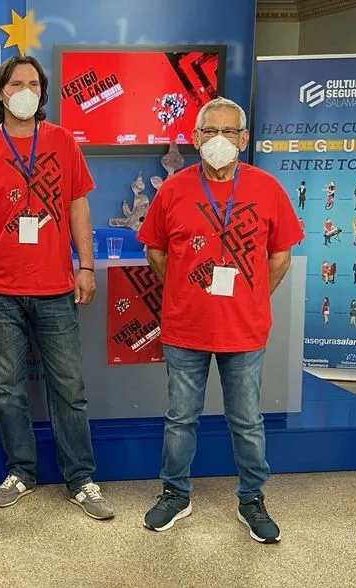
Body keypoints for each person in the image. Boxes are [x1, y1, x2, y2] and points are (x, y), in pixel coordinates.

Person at [0, 55, 113, 520]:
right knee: (7, 389)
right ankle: (21, 470)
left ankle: (81, 478)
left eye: (35, 83)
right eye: (17, 83)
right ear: (0, 92)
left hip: (56, 289)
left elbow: (79, 206)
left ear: (43, 93)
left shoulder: (63, 142)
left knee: (69, 388)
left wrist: (86, 266)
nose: (27, 90)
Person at [137, 97, 302, 543]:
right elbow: (154, 249)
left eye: (230, 132)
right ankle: (175, 493)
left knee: (247, 420)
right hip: (185, 327)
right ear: (195, 139)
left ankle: (251, 499)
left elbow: (281, 256)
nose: (220, 140)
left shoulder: (267, 188)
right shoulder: (172, 190)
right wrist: (183, 291)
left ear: (244, 139)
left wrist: (250, 298)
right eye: (210, 132)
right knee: (180, 418)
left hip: (244, 331)